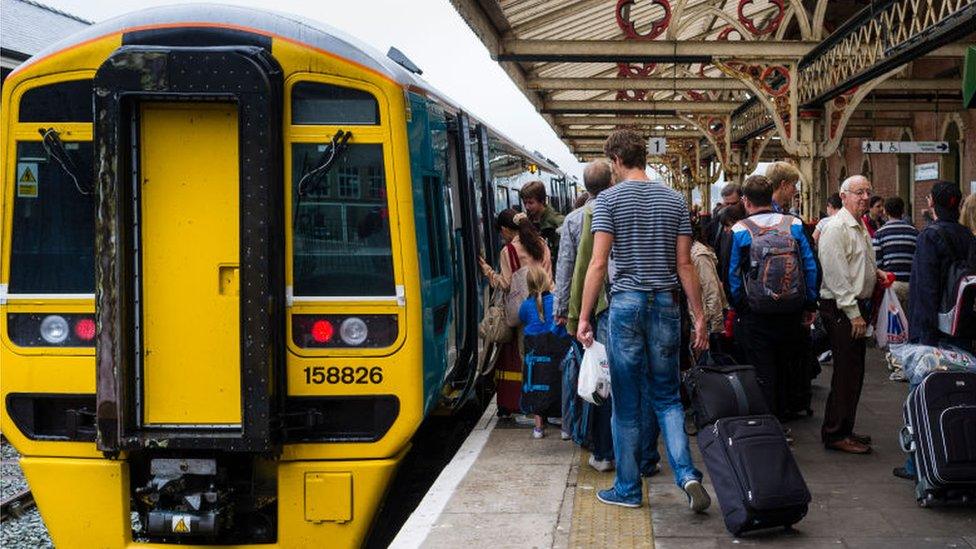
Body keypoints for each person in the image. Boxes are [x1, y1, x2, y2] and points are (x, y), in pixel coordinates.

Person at [577, 129, 711, 512]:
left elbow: (598, 263)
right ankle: (686, 474)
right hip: (666, 306)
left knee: (627, 403)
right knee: (668, 397)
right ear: (643, 158)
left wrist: (584, 317)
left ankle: (628, 488)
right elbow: (685, 265)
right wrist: (699, 317)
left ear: (616, 161)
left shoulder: (608, 201)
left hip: (626, 307)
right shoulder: (674, 201)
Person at [895, 181, 975, 480]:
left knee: (924, 394)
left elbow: (926, 288)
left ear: (932, 203)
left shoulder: (930, 235)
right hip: (960, 326)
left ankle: (918, 463)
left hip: (933, 331)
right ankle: (957, 452)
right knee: (963, 392)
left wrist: (921, 336)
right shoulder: (967, 235)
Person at [728, 175, 818, 422]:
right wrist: (809, 302)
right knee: (787, 364)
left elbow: (732, 275)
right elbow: (810, 265)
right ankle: (787, 414)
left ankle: (770, 423)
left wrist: (741, 307)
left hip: (756, 312)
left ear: (746, 201)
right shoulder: (794, 225)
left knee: (762, 368)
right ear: (771, 197)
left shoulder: (739, 230)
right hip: (792, 308)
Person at [817, 175, 890, 454]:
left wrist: (876, 274)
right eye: (858, 192)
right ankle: (835, 433)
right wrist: (853, 313)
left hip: (855, 307)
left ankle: (845, 427)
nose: (864, 197)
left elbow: (857, 262)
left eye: (867, 192)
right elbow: (836, 275)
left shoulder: (859, 226)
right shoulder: (837, 228)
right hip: (842, 309)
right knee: (846, 373)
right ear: (843, 195)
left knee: (854, 372)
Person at [553, 161, 615, 458]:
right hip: (617, 301)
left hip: (587, 308)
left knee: (593, 375)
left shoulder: (574, 219)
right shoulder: (619, 211)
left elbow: (565, 266)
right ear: (611, 181)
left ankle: (593, 439)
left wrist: (561, 307)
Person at [479, 209, 553, 417]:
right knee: (550, 355)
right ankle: (552, 401)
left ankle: (534, 406)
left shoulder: (509, 251)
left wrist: (488, 272)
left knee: (528, 359)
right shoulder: (542, 243)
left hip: (526, 312)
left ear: (505, 230)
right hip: (548, 305)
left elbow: (506, 284)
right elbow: (549, 274)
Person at [519, 265, 571, 439]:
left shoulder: (526, 306)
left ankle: (539, 427)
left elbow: (521, 319)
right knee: (561, 384)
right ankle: (565, 425)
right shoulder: (557, 300)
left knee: (536, 383)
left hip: (536, 356)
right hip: (557, 354)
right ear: (548, 281)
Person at [873, 196, 918, 312]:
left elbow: (876, 264)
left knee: (892, 326)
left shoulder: (879, 234)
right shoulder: (914, 233)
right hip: (911, 286)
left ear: (886, 212)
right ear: (903, 211)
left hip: (890, 286)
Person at [691, 223, 729, 352]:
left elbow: (712, 291)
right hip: (699, 319)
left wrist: (714, 327)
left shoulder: (699, 256)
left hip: (705, 321)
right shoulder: (691, 253)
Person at [520, 180, 565, 266]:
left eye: (530, 202)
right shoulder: (525, 223)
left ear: (542, 201)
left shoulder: (558, 223)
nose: (527, 207)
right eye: (525, 203)